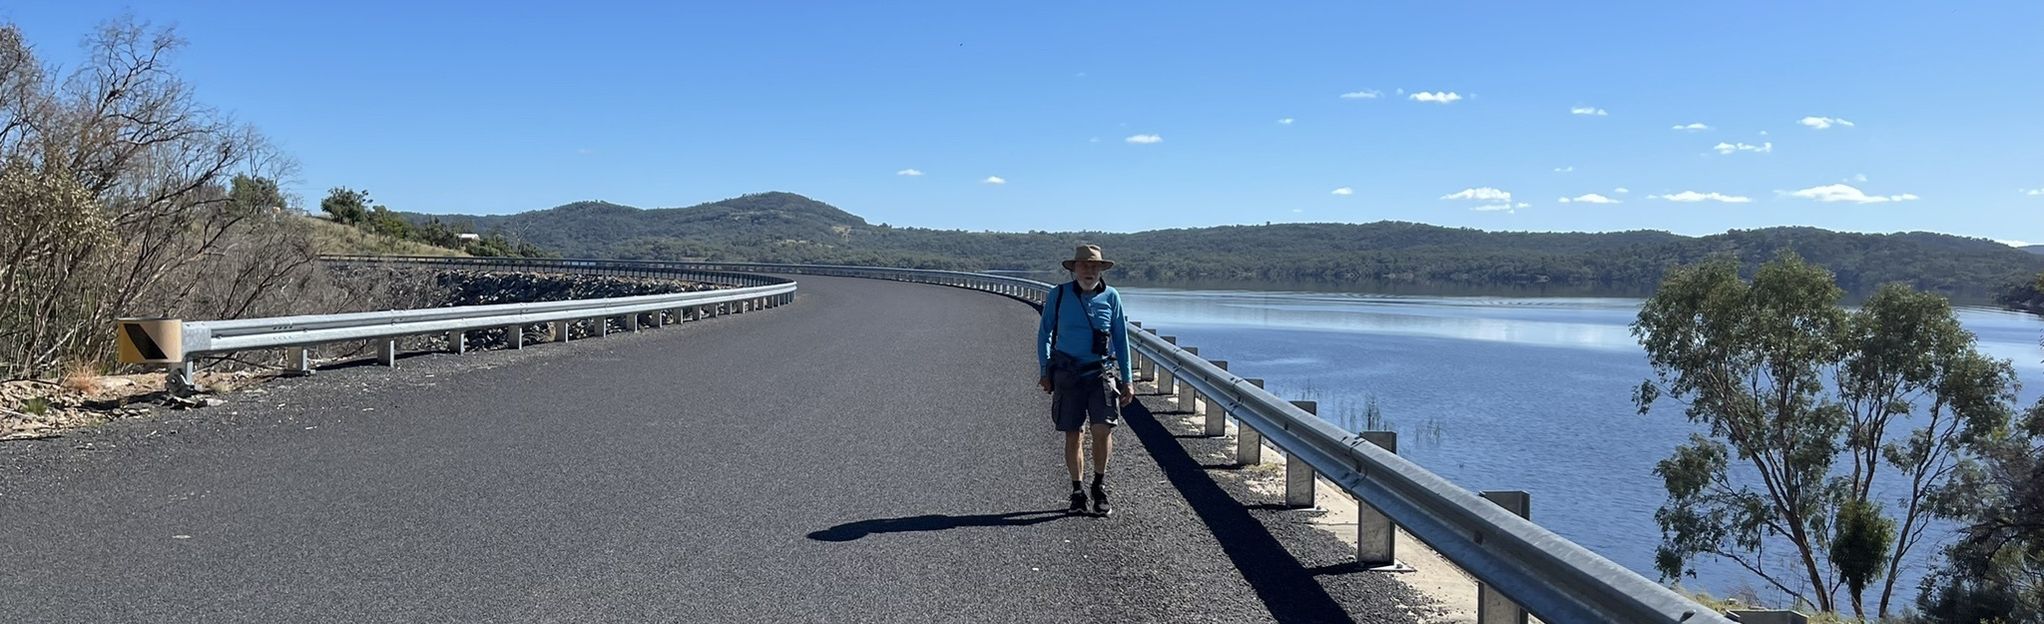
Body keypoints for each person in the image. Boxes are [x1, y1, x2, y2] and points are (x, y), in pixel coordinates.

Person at [1037, 244, 1134, 515]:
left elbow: (1121, 340)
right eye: (1084, 265)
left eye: (1094, 266)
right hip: (1068, 373)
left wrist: (1128, 379)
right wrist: (1045, 371)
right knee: (1074, 433)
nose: (1089, 271)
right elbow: (1044, 333)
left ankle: (1099, 486)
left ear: (1101, 269)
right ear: (1074, 269)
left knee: (1103, 429)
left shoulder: (1112, 297)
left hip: (1100, 372)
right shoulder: (1059, 295)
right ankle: (1077, 490)